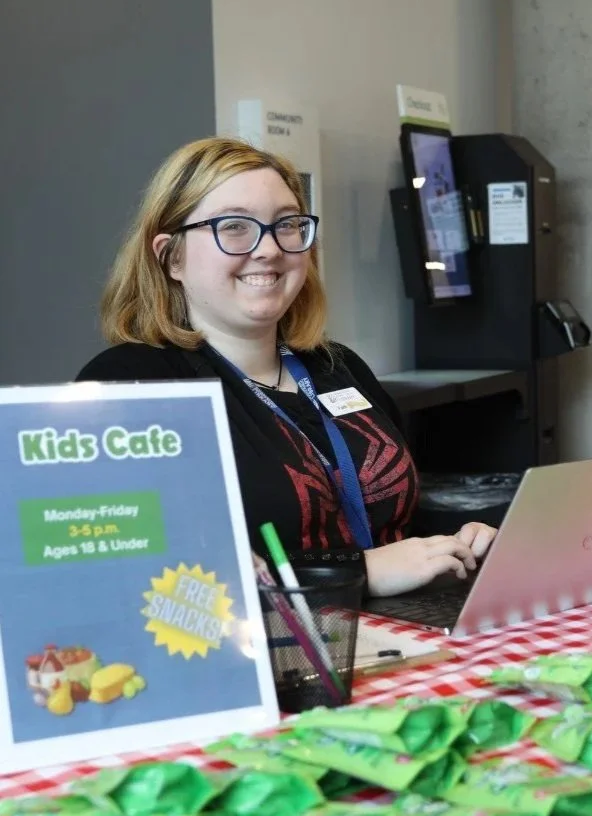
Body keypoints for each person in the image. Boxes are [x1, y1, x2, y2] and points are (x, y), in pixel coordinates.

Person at [77, 137, 495, 596]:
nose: (269, 249)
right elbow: (138, 572)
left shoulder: (338, 366)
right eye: (234, 226)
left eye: (287, 225)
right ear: (171, 255)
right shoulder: (131, 385)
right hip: (274, 659)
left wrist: (459, 541)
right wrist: (360, 571)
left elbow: (393, 514)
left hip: (405, 639)